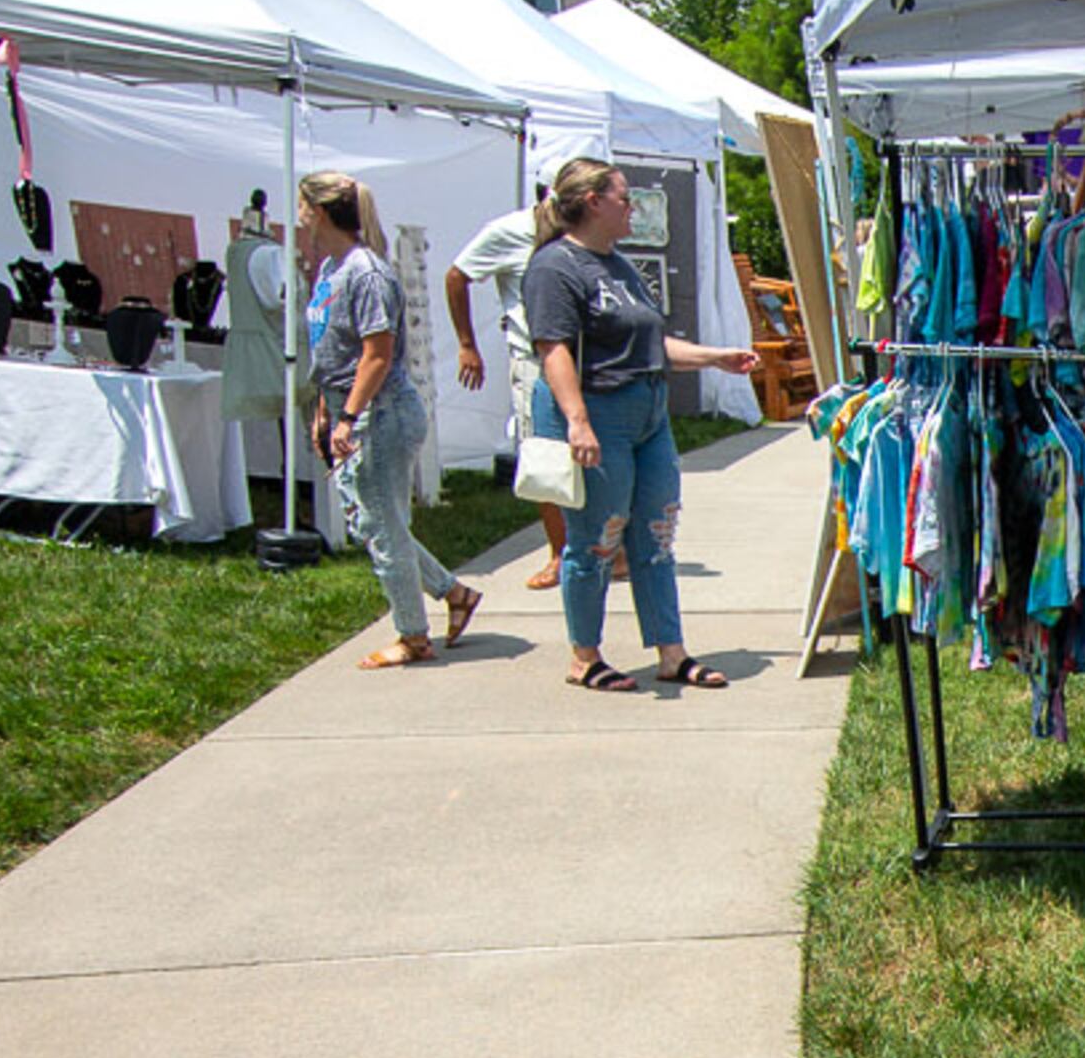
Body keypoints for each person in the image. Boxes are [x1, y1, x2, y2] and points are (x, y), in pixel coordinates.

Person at [523, 155, 760, 693]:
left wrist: (713, 358)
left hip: (648, 413)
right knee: (597, 540)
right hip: (600, 412)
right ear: (592, 203)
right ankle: (584, 656)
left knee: (657, 533)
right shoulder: (555, 267)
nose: (632, 208)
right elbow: (553, 349)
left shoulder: (620, 264)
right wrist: (578, 422)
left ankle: (670, 651)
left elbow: (650, 344)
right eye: (624, 198)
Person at [300, 169, 478, 670]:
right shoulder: (329, 269)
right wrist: (324, 409)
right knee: (376, 522)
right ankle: (454, 594)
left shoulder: (367, 273)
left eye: (301, 206)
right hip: (347, 405)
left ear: (318, 211)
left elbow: (377, 353)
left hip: (380, 412)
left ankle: (413, 636)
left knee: (383, 528)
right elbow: (329, 349)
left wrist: (349, 416)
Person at [444, 204, 562, 587]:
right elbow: (456, 276)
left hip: (580, 360)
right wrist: (467, 344)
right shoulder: (507, 231)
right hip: (532, 359)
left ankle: (610, 549)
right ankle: (559, 552)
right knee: (543, 457)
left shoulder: (586, 228)